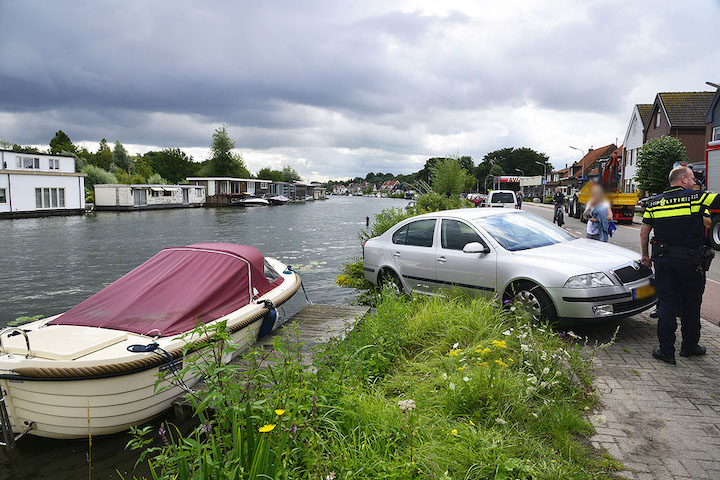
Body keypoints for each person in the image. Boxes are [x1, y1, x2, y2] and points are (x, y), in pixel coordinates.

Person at [640, 166, 720, 364]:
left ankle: (666, 351)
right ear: (683, 179)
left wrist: (645, 256)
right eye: (692, 178)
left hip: (664, 261)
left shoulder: (654, 202)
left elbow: (644, 232)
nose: (694, 182)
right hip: (691, 262)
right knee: (691, 304)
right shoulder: (697, 197)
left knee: (667, 303)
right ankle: (689, 346)